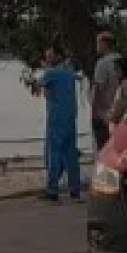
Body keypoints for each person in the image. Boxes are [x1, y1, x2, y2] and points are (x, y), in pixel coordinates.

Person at [33, 49, 82, 202]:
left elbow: (38, 83)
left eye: (50, 57)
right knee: (71, 155)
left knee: (54, 153)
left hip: (56, 118)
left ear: (58, 57)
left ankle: (52, 190)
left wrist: (45, 71)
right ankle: (75, 190)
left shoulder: (51, 73)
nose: (47, 59)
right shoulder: (69, 72)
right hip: (70, 117)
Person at [89, 32, 121, 156]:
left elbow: (98, 89)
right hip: (120, 111)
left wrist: (94, 111)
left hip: (103, 113)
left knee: (103, 149)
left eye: (98, 43)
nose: (96, 46)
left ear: (104, 44)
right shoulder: (122, 60)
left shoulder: (102, 63)